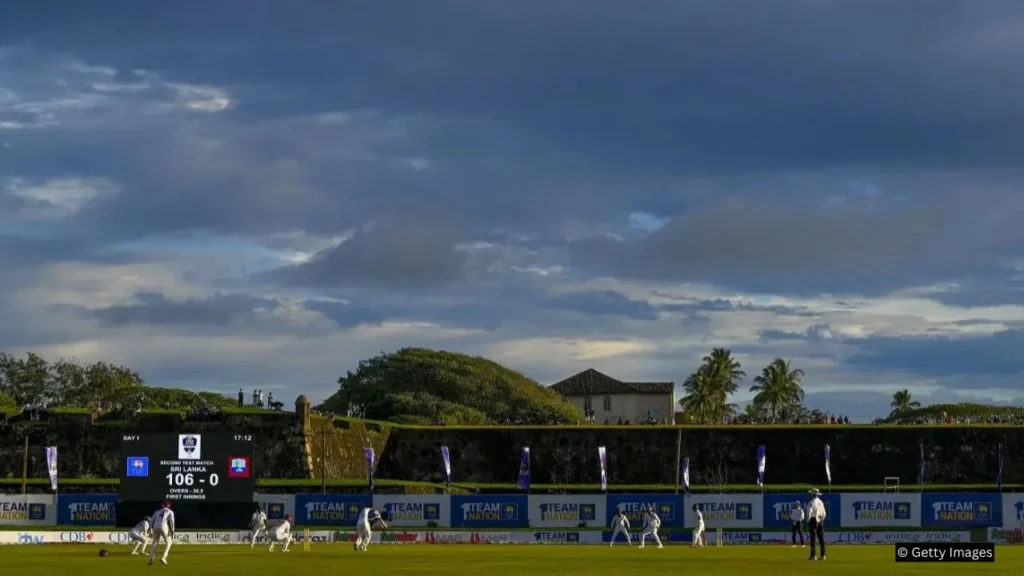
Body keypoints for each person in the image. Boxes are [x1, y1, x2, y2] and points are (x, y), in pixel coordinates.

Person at [147, 501, 174, 566]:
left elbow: (151, 520)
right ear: (169, 505)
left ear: (162, 505)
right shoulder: (170, 511)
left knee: (155, 543)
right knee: (169, 542)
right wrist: (172, 530)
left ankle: (151, 558)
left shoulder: (157, 511)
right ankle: (164, 557)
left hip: (155, 526)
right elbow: (172, 521)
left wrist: (150, 528)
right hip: (164, 526)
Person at [806, 488, 827, 560]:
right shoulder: (821, 502)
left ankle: (813, 555)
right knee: (821, 538)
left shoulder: (811, 502)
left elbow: (809, 512)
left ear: (812, 494)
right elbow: (824, 513)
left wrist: (808, 520)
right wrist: (821, 520)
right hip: (820, 520)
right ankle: (823, 555)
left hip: (813, 520)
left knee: (813, 538)